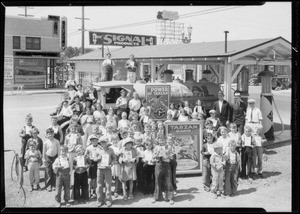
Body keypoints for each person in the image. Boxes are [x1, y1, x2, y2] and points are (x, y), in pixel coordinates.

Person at [152, 138, 175, 205]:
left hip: (166, 164)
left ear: (165, 140)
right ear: (158, 141)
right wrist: (157, 154)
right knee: (157, 181)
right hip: (159, 164)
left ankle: (170, 197)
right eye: (160, 140)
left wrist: (167, 154)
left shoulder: (168, 147)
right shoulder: (156, 147)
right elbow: (153, 157)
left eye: (162, 140)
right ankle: (156, 197)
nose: (161, 141)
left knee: (168, 181)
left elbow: (171, 158)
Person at [64, 123, 83, 200]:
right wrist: (66, 152)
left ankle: (78, 183)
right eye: (72, 128)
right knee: (70, 168)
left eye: (75, 128)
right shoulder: (67, 136)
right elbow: (65, 145)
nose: (73, 129)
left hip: (76, 153)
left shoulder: (78, 135)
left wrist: (79, 148)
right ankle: (71, 183)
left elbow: (81, 144)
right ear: (70, 129)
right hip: (70, 153)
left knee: (77, 168)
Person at [97, 136, 117, 208]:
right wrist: (97, 158)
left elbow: (114, 158)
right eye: (102, 142)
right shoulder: (98, 149)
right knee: (99, 185)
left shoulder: (110, 150)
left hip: (108, 169)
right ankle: (99, 200)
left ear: (107, 142)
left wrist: (111, 164)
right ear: (100, 143)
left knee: (108, 185)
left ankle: (108, 200)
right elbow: (94, 158)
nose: (103, 143)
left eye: (104, 142)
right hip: (99, 169)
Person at [43, 127, 61, 192]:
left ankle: (54, 185)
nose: (50, 135)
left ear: (53, 134)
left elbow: (59, 150)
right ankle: (48, 186)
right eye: (49, 134)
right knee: (48, 171)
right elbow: (44, 151)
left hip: (55, 157)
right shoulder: (46, 142)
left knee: (54, 171)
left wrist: (59, 158)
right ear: (47, 135)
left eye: (51, 134)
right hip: (48, 157)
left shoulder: (57, 141)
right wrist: (44, 159)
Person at [85, 134, 101, 199]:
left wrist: (98, 158)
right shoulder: (89, 148)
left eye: (95, 140)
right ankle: (89, 192)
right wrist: (90, 158)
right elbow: (85, 155)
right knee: (91, 179)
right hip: (91, 164)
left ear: (97, 141)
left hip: (98, 163)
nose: (94, 142)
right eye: (93, 140)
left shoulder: (100, 147)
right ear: (91, 141)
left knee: (96, 179)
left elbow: (102, 154)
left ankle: (95, 191)